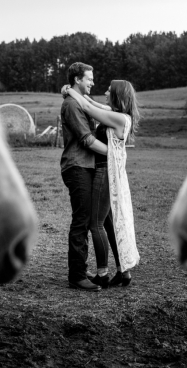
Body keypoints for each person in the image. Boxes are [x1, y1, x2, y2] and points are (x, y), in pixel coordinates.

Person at [62, 80, 141, 288]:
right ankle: (124, 272)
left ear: (116, 95)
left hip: (104, 171)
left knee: (95, 223)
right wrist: (71, 91)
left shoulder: (118, 117)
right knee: (107, 223)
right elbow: (90, 102)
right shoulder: (116, 112)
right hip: (107, 170)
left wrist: (70, 90)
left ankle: (102, 273)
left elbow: (88, 107)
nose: (104, 91)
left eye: (108, 90)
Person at [60, 62, 102, 291]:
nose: (92, 82)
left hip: (84, 166)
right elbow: (86, 139)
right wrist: (114, 153)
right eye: (89, 78)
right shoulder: (71, 105)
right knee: (81, 220)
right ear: (77, 79)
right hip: (77, 167)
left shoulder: (78, 101)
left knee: (84, 220)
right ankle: (76, 276)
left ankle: (80, 268)